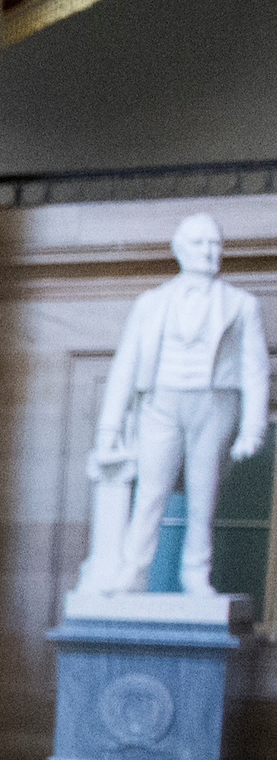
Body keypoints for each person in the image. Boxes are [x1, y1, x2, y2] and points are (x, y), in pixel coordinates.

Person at [86, 211, 268, 594]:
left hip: (214, 404)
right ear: (180, 250)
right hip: (160, 402)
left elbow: (255, 369)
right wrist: (109, 427)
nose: (209, 251)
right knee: (150, 492)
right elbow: (125, 366)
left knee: (204, 496)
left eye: (215, 243)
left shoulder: (241, 305)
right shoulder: (151, 303)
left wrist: (253, 427)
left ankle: (195, 575)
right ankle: (133, 571)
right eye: (200, 243)